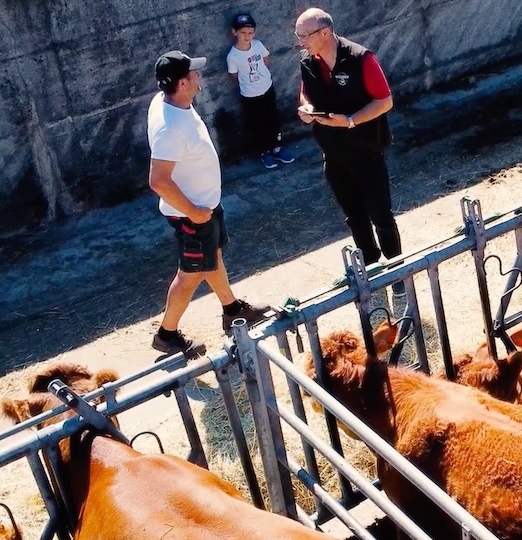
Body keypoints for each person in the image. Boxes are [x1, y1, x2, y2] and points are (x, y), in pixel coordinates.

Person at [147, 50, 271, 358]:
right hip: (192, 214)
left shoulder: (168, 102)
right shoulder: (170, 128)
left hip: (203, 208)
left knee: (211, 257)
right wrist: (194, 212)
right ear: (182, 82)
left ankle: (231, 309)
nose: (199, 77)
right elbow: (158, 181)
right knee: (190, 274)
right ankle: (167, 334)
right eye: (194, 74)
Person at [294, 8, 405, 294]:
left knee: (380, 214)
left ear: (325, 33)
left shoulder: (360, 58)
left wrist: (351, 121)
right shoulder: (308, 62)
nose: (300, 42)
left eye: (304, 35)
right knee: (354, 216)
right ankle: (369, 266)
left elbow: (385, 101)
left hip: (367, 151)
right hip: (333, 153)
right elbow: (305, 91)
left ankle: (397, 271)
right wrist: (305, 107)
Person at [226, 12, 295, 170]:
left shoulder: (257, 45)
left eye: (250, 33)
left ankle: (277, 147)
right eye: (243, 32)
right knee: (257, 124)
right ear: (234, 32)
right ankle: (265, 152)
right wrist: (249, 84)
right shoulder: (233, 56)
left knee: (272, 119)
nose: (247, 36)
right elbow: (234, 76)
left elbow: (265, 60)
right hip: (250, 96)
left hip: (267, 89)